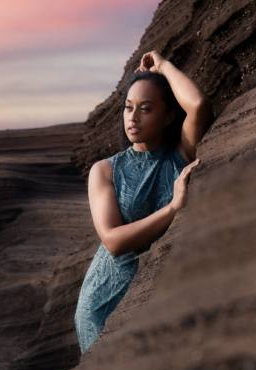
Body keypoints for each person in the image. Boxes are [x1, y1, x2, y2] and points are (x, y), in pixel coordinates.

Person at [74, 50, 213, 354]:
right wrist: (173, 207)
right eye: (128, 108)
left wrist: (163, 65)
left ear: (168, 115)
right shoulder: (105, 170)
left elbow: (199, 106)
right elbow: (112, 241)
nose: (133, 118)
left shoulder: (180, 154)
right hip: (104, 303)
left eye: (146, 109)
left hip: (155, 293)